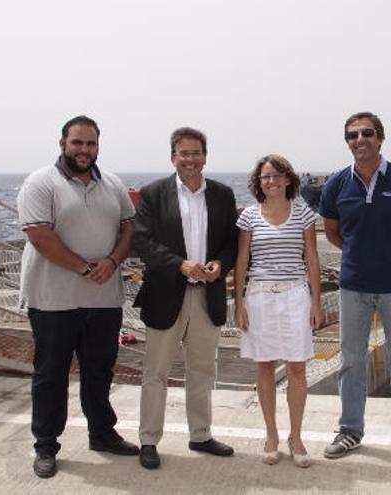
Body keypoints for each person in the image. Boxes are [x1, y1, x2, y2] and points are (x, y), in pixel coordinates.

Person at [17, 115, 140, 479]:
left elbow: (128, 226)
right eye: (77, 143)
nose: (84, 150)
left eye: (90, 144)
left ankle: (101, 433)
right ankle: (45, 446)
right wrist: (85, 268)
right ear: (62, 144)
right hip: (53, 300)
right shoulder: (40, 183)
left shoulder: (113, 184)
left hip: (103, 300)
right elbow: (40, 235)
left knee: (99, 372)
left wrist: (114, 260)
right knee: (51, 374)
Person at [317, 111, 391, 467]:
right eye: (353, 135)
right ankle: (350, 430)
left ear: (380, 139)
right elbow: (334, 233)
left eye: (367, 133)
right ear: (348, 141)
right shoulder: (337, 184)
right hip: (354, 287)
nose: (360, 139)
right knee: (351, 363)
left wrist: (390, 256)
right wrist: (361, 257)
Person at [132, 127, 238, 470]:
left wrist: (220, 263)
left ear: (205, 157)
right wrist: (181, 265)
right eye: (183, 153)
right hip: (166, 295)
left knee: (203, 370)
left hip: (208, 295)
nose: (190, 160)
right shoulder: (152, 194)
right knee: (156, 372)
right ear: (173, 157)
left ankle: (201, 434)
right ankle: (149, 440)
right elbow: (143, 242)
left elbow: (231, 242)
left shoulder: (222, 194)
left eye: (196, 153)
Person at [233, 154, 324, 468]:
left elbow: (312, 259)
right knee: (264, 367)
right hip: (259, 297)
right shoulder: (249, 216)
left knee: (297, 368)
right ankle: (271, 434)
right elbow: (242, 262)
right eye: (264, 177)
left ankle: (295, 436)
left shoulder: (303, 213)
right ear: (259, 183)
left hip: (295, 296)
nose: (270, 181)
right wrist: (239, 304)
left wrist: (316, 302)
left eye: (275, 176)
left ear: (287, 179)